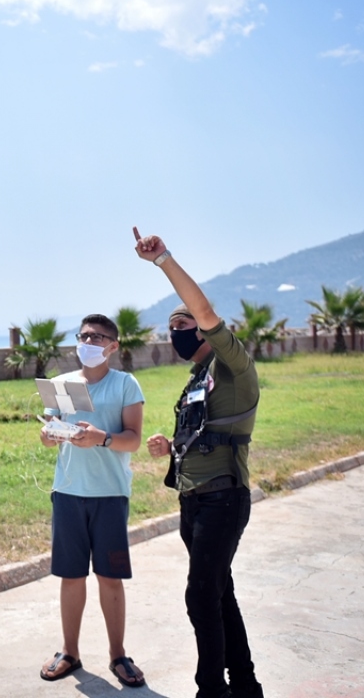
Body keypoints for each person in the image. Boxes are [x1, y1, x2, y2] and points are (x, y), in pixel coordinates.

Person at [133, 228, 264, 698]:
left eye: (184, 326)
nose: (177, 333)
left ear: (206, 328)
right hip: (193, 502)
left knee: (200, 596)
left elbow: (204, 311)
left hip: (224, 498)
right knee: (219, 592)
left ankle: (212, 688)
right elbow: (204, 431)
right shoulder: (196, 379)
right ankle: (245, 684)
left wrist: (163, 260)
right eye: (171, 328)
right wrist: (169, 444)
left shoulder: (233, 364)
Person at [37, 314, 146, 688]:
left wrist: (101, 437)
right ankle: (70, 652)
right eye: (84, 336)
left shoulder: (126, 384)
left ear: (113, 346)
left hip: (109, 494)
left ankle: (118, 655)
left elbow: (132, 438)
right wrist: (49, 434)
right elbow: (49, 428)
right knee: (71, 575)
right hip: (68, 491)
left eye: (98, 337)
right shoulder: (61, 383)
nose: (89, 342)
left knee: (110, 577)